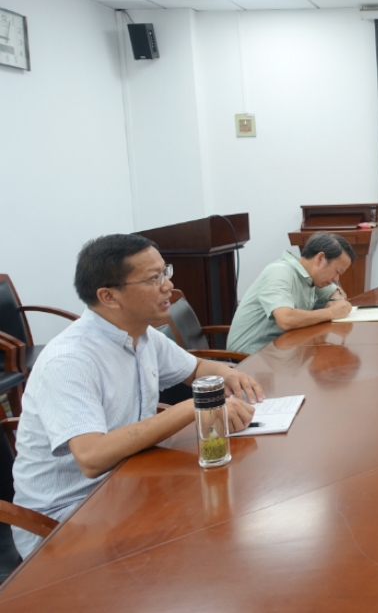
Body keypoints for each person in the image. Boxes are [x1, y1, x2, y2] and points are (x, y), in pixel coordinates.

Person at [12, 235, 262, 557]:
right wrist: (192, 408)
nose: (168, 285)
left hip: (129, 484)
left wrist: (230, 375)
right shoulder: (70, 360)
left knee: (229, 514)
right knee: (210, 540)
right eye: (153, 278)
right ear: (109, 296)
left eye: (165, 272)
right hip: (66, 521)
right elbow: (92, 458)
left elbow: (197, 367)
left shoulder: (142, 335)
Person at [226, 232, 356, 355]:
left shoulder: (311, 277)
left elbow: (336, 291)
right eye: (337, 271)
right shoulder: (279, 272)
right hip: (249, 357)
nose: (336, 279)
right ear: (320, 258)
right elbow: (285, 320)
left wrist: (334, 301)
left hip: (282, 350)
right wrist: (331, 313)